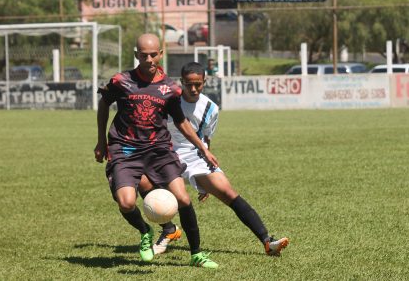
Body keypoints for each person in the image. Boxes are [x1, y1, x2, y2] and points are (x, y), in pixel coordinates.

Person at [94, 34, 220, 269]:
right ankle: (145, 231)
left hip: (158, 149)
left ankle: (196, 254)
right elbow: (103, 105)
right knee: (126, 203)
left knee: (182, 198)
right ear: (136, 56)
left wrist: (203, 149)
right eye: (144, 55)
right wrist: (101, 141)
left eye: (153, 55)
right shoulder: (121, 81)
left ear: (161, 53)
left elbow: (182, 122)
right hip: (125, 148)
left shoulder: (170, 88)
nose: (149, 59)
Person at [139, 61, 289, 257]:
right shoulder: (168, 100)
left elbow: (206, 138)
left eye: (198, 84)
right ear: (182, 82)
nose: (193, 89)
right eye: (188, 84)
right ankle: (168, 229)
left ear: (205, 81)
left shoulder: (211, 108)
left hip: (196, 155)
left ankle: (267, 241)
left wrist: (205, 176)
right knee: (142, 182)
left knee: (228, 193)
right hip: (166, 154)